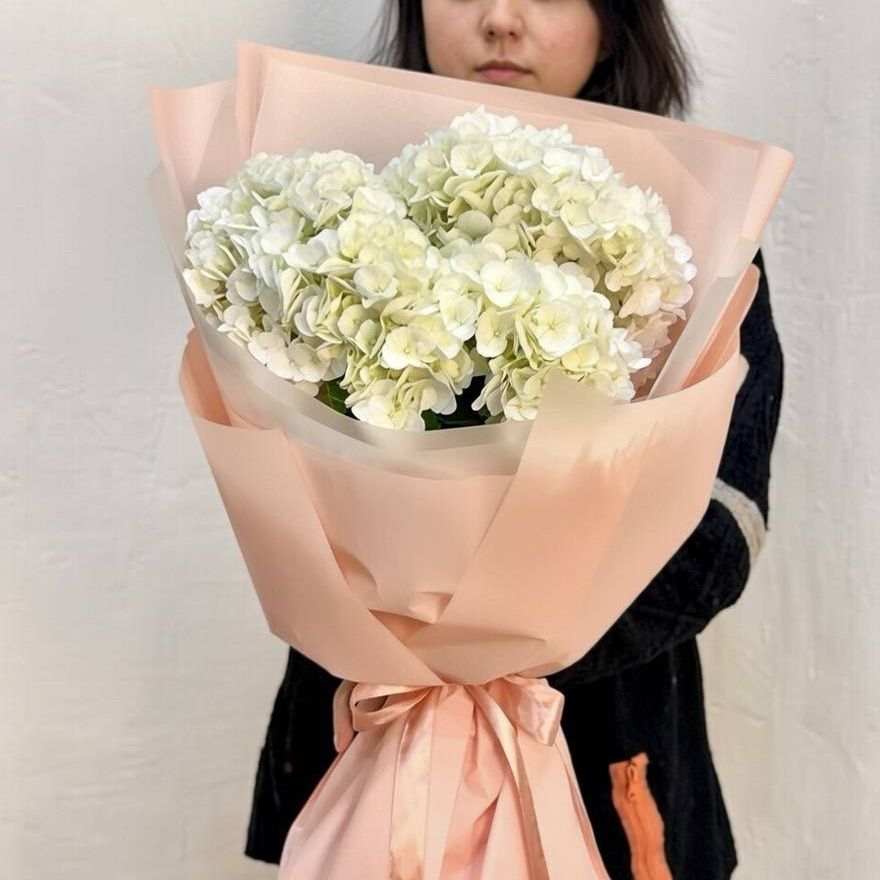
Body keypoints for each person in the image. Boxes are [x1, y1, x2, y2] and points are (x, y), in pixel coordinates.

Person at [244, 2, 784, 877]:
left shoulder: (696, 227)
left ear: (617, 17)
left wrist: (490, 654)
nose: (500, 18)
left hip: (605, 759)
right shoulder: (333, 216)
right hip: (360, 749)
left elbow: (724, 524)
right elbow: (279, 487)